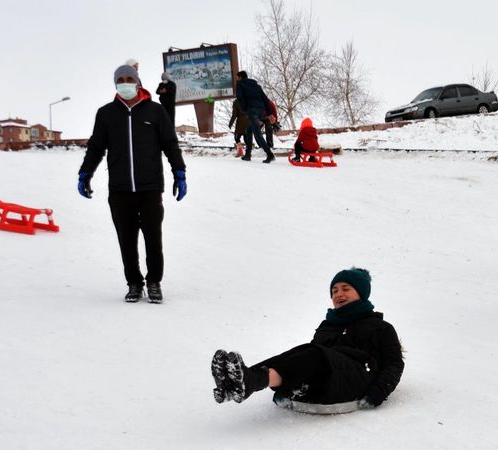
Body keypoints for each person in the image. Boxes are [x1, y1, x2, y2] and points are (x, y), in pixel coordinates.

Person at [210, 268, 404, 409]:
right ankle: (239, 382)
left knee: (314, 354)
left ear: (361, 294)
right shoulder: (328, 326)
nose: (339, 294)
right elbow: (306, 362)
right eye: (334, 291)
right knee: (302, 351)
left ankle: (250, 380)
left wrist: (377, 393)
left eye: (346, 289)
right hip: (330, 377)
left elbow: (394, 363)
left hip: (359, 378)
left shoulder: (380, 327)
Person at [77, 65, 187, 303]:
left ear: (138, 82)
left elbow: (170, 143)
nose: (125, 83)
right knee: (126, 240)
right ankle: (134, 283)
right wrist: (85, 173)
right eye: (120, 79)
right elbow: (96, 147)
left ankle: (154, 282)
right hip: (120, 189)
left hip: (149, 188)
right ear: (116, 83)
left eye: (129, 79)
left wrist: (179, 171)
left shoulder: (156, 112)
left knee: (152, 238)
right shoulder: (106, 114)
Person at [235, 71, 275, 163]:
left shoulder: (240, 84)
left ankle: (270, 154)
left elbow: (240, 97)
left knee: (257, 134)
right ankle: (248, 155)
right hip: (261, 111)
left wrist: (245, 109)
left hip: (252, 111)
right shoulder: (257, 86)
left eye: (237, 77)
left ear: (240, 77)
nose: (237, 79)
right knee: (249, 131)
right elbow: (265, 99)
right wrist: (269, 113)